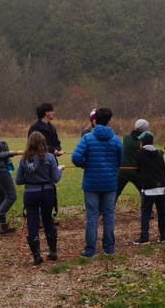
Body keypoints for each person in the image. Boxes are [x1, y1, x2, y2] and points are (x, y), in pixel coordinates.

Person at [71, 107, 122, 257]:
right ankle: (109, 248)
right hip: (110, 183)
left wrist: (85, 164)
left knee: (92, 216)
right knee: (108, 215)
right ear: (109, 121)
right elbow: (120, 160)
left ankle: (90, 249)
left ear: (95, 121)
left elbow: (75, 157)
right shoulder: (116, 140)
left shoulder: (87, 138)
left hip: (91, 182)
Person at [16, 132, 64, 265]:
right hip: (47, 192)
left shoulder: (24, 159)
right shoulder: (50, 158)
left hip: (31, 192)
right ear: (43, 143)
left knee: (32, 222)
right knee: (48, 219)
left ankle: (36, 256)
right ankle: (53, 251)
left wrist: (30, 177)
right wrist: (59, 170)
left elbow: (18, 180)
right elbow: (55, 178)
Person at [28, 102, 64, 223]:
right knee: (39, 188)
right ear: (46, 113)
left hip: (50, 160)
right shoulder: (34, 128)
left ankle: (47, 215)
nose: (54, 112)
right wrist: (53, 151)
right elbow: (34, 145)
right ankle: (37, 217)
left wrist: (58, 149)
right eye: (52, 110)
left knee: (49, 188)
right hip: (38, 161)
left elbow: (57, 142)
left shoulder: (51, 127)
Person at [133, 131, 165, 244]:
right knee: (162, 212)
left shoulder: (140, 153)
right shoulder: (158, 153)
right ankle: (163, 234)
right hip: (162, 186)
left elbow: (137, 169)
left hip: (149, 187)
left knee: (146, 211)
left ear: (142, 143)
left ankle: (144, 236)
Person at [116, 118, 148, 201]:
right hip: (136, 172)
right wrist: (161, 152)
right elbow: (148, 153)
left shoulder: (126, 136)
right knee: (144, 191)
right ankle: (147, 211)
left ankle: (106, 210)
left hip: (123, 170)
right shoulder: (143, 141)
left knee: (115, 192)